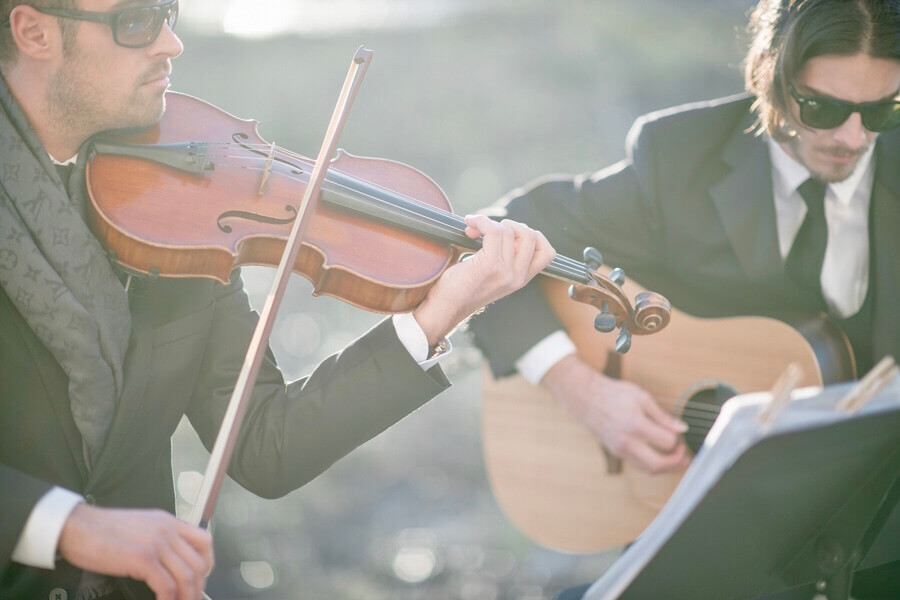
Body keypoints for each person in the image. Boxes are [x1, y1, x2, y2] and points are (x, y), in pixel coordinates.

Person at [0, 1, 556, 598]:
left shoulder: (184, 204)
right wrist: (65, 526)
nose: (170, 44)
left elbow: (266, 444)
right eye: (134, 21)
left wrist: (440, 310)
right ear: (33, 31)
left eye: (170, 12)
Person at [468, 0, 899, 597]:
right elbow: (497, 239)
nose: (853, 137)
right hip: (709, 547)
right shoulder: (679, 157)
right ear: (770, 71)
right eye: (822, 107)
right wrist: (578, 387)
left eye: (881, 109)